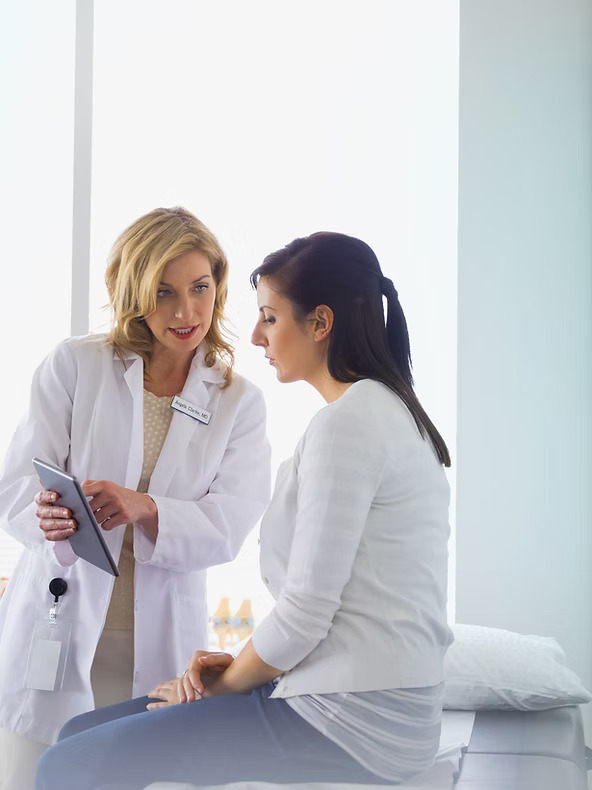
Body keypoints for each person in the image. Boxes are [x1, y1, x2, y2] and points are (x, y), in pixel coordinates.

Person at [35, 231, 453, 789]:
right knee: (75, 735)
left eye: (270, 318)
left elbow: (307, 609)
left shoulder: (347, 425)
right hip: (367, 704)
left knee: (67, 764)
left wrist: (223, 688)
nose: (255, 335)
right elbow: (345, 605)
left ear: (320, 323)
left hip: (353, 722)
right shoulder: (390, 411)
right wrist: (238, 667)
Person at [0, 207, 271, 790]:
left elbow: (230, 524)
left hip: (157, 636)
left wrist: (146, 507)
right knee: (31, 775)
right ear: (133, 291)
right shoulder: (76, 365)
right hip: (61, 622)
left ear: (218, 286)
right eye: (164, 292)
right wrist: (42, 514)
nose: (185, 312)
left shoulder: (237, 402)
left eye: (200, 288)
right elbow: (17, 483)